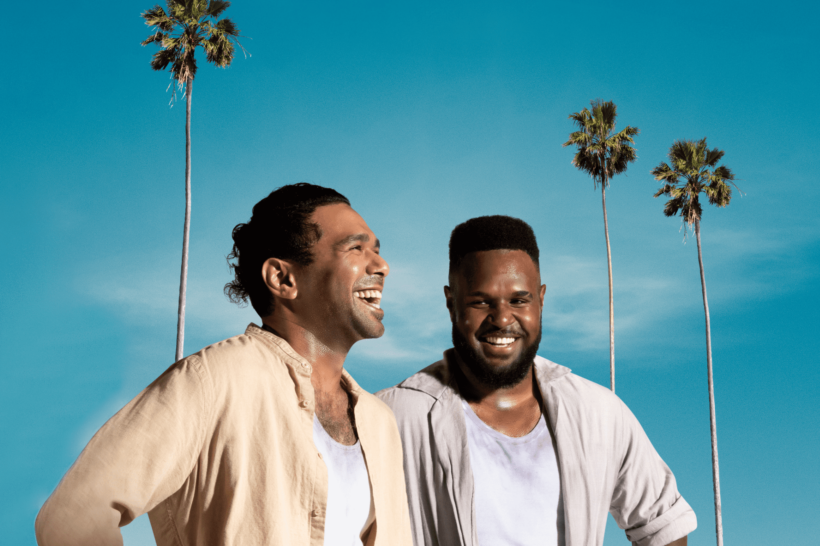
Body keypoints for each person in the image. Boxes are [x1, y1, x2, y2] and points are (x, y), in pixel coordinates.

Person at [36, 183, 412, 546]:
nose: (381, 265)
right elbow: (73, 519)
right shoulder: (214, 380)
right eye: (355, 249)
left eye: (376, 249)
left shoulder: (379, 422)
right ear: (282, 278)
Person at [377, 215, 696, 546]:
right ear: (450, 302)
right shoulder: (392, 417)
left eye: (518, 300)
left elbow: (663, 526)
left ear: (540, 300)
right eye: (481, 301)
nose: (502, 319)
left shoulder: (600, 414)